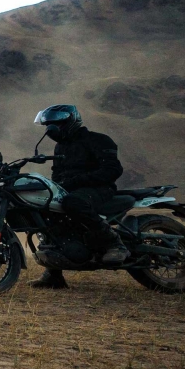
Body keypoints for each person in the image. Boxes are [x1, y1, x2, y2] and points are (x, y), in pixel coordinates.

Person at [31, 105, 128, 290]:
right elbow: (57, 174)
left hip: (99, 188)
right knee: (47, 208)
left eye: (56, 124)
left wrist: (77, 181)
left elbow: (112, 170)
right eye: (48, 125)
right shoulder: (60, 146)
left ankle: (114, 243)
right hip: (72, 189)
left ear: (70, 122)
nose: (51, 129)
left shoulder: (98, 140)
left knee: (73, 202)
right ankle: (53, 274)